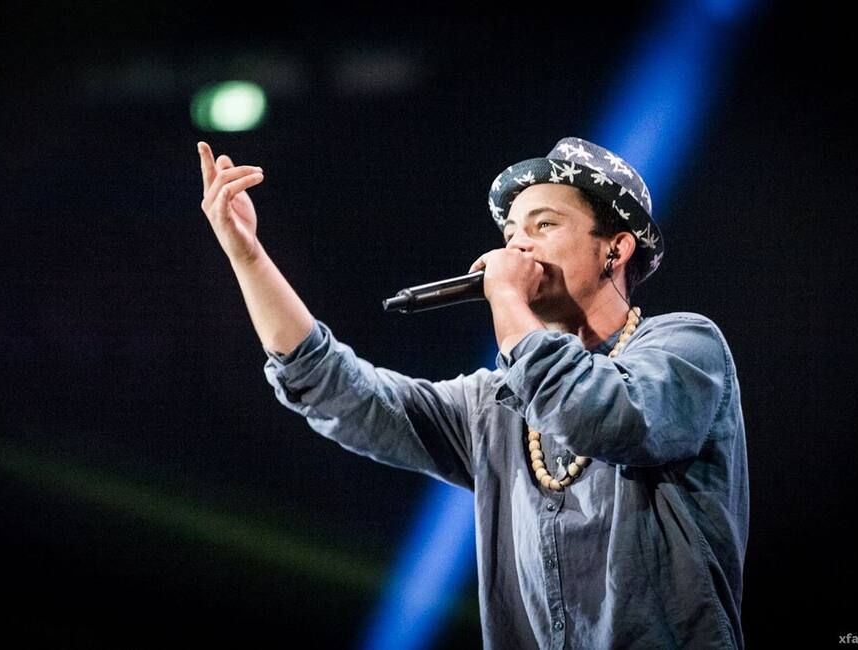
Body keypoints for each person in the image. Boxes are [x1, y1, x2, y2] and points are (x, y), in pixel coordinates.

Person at [197, 136, 749, 649]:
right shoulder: (494, 406)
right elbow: (339, 390)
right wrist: (248, 256)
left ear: (617, 248)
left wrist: (506, 298)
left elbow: (596, 414)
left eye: (544, 224)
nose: (518, 245)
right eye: (510, 234)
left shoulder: (686, 347)